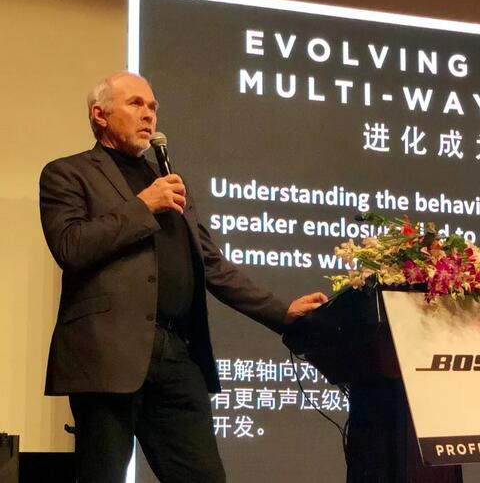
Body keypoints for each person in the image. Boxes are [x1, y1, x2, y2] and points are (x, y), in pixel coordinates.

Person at [39, 71, 327, 483]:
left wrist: (282, 311)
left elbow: (211, 264)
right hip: (107, 355)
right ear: (99, 115)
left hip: (177, 355)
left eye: (153, 107)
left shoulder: (170, 183)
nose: (149, 115)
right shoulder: (68, 173)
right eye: (136, 104)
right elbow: (71, 246)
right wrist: (143, 206)